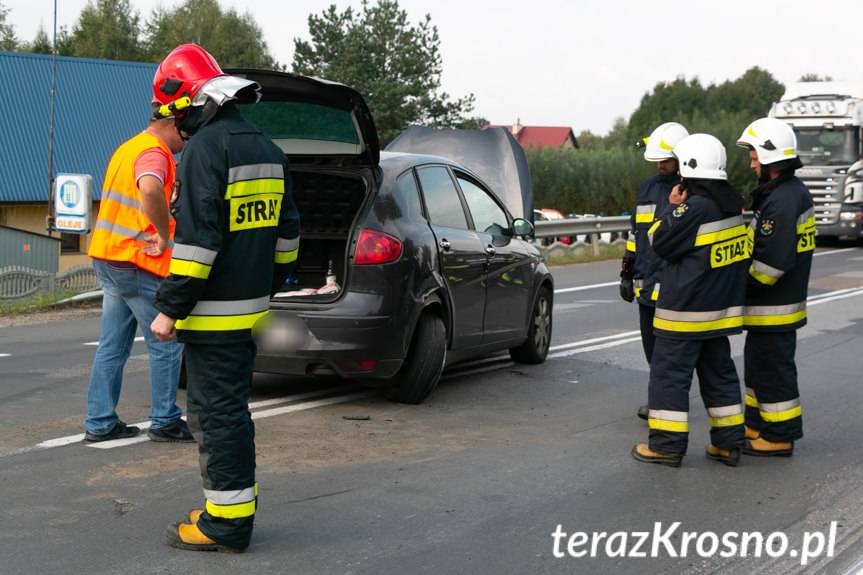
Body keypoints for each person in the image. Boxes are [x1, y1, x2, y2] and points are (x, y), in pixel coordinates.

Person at [149, 44, 301, 553]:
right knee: (232, 413)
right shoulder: (267, 149)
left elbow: (197, 245)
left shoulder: (205, 152)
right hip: (250, 310)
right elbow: (289, 236)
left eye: (176, 113)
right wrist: (268, 281)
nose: (179, 127)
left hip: (211, 317)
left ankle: (227, 525)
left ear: (192, 101)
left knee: (216, 418)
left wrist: (170, 308)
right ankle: (227, 508)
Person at [631, 133, 748, 468]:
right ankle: (729, 443)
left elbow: (659, 240)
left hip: (685, 311)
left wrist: (671, 205)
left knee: (668, 378)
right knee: (719, 376)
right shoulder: (730, 205)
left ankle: (666, 446)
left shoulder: (694, 206)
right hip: (718, 313)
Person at [84, 107, 193, 443]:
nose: (186, 141)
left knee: (113, 345)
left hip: (109, 255)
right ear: (172, 125)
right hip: (137, 261)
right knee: (166, 341)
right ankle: (165, 419)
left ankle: (100, 421)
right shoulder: (154, 153)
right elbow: (149, 189)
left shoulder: (128, 147)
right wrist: (163, 233)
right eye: (185, 133)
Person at [736, 117, 812, 457]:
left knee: (773, 373)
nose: (751, 162)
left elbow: (772, 265)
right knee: (758, 369)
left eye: (754, 155)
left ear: (771, 156)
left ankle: (779, 436)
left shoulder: (782, 201)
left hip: (774, 307)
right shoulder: (784, 193)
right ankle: (756, 425)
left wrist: (740, 288)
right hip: (771, 309)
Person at [619, 122, 688, 421]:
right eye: (657, 160)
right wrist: (626, 270)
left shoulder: (691, 189)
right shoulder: (648, 188)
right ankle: (661, 399)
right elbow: (636, 233)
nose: (661, 165)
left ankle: (666, 404)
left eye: (666, 160)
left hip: (675, 286)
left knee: (669, 352)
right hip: (646, 286)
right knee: (652, 349)